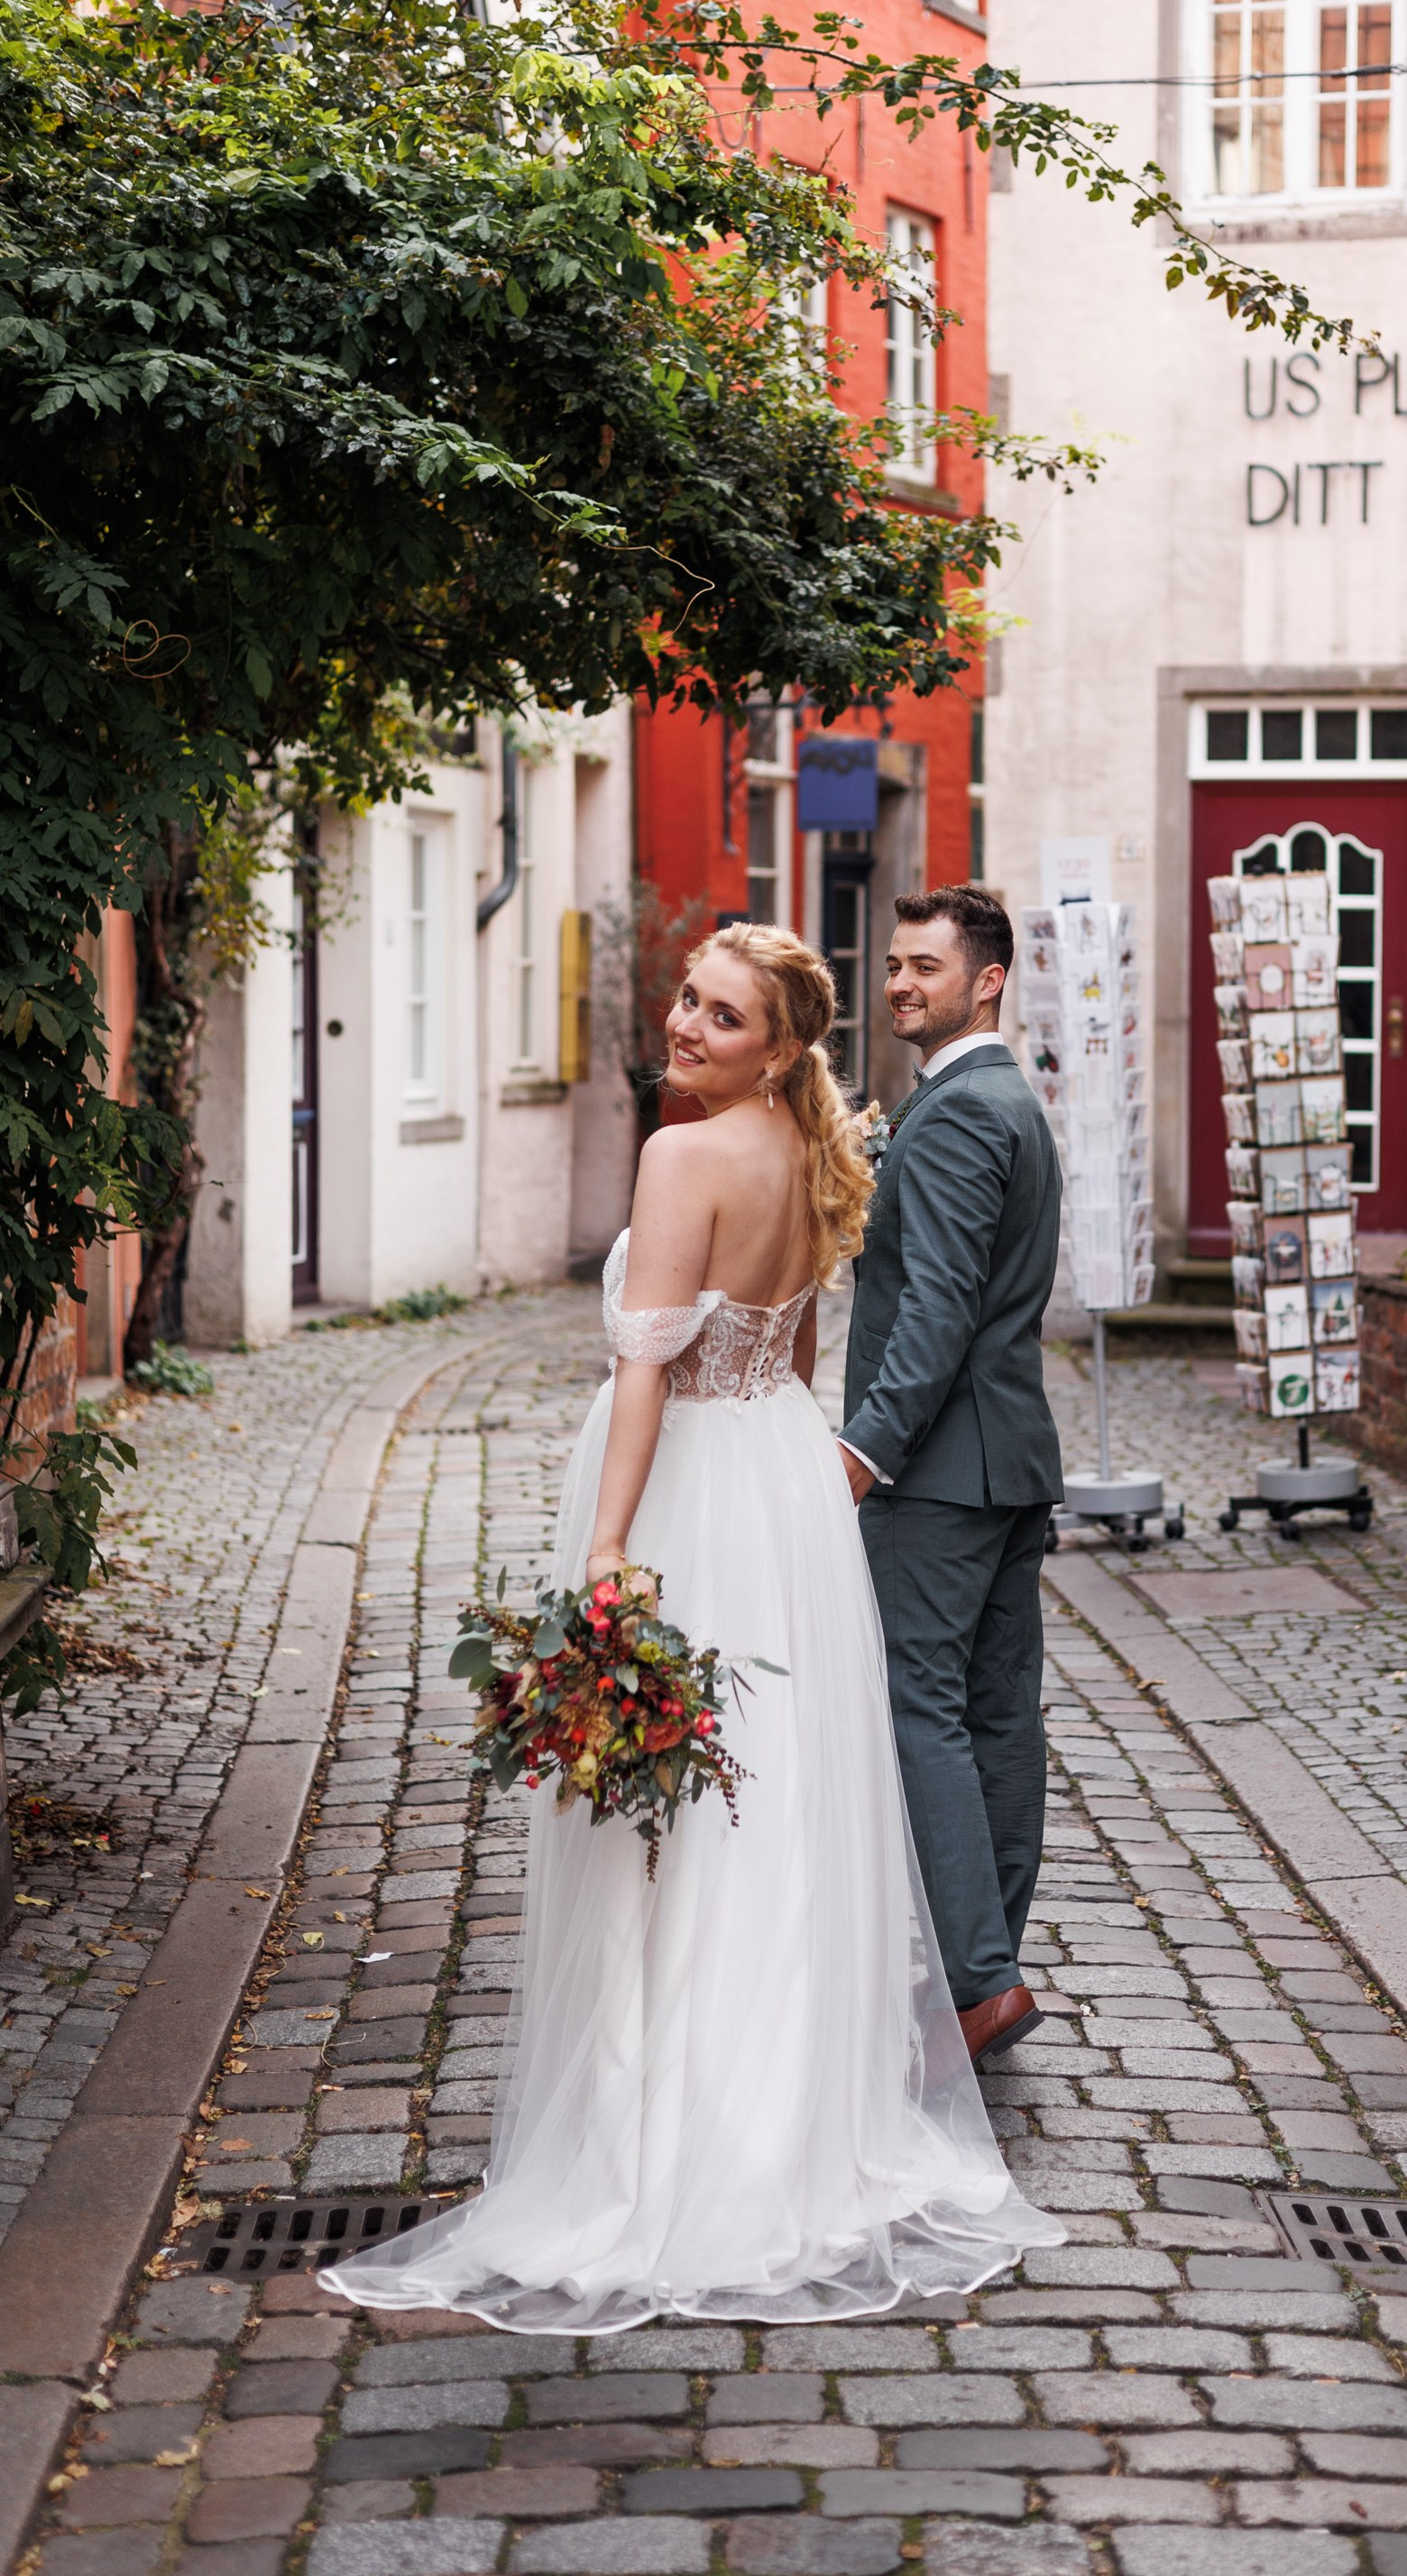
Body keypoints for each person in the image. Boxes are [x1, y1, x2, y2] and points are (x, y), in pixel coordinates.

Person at [320, 923, 1058, 2334]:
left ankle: (673, 2138)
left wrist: (607, 1546)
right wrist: (794, 1468)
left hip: (697, 1487)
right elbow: (787, 1352)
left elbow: (647, 1367)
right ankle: (793, 2113)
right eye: (687, 1001)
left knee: (668, 1821)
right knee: (771, 1800)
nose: (686, 1026)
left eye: (722, 1016)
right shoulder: (807, 1155)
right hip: (779, 1474)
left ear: (780, 1044)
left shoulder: (681, 1157)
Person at [839, 888, 1063, 2068]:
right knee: (994, 1715)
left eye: (924, 966)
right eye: (892, 965)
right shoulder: (1001, 1099)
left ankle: (977, 1982)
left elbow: (935, 1308)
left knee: (922, 1707)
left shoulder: (965, 1113)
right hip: (1010, 1461)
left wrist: (865, 1448)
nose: (899, 985)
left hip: (941, 1475)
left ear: (988, 980)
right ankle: (989, 1964)